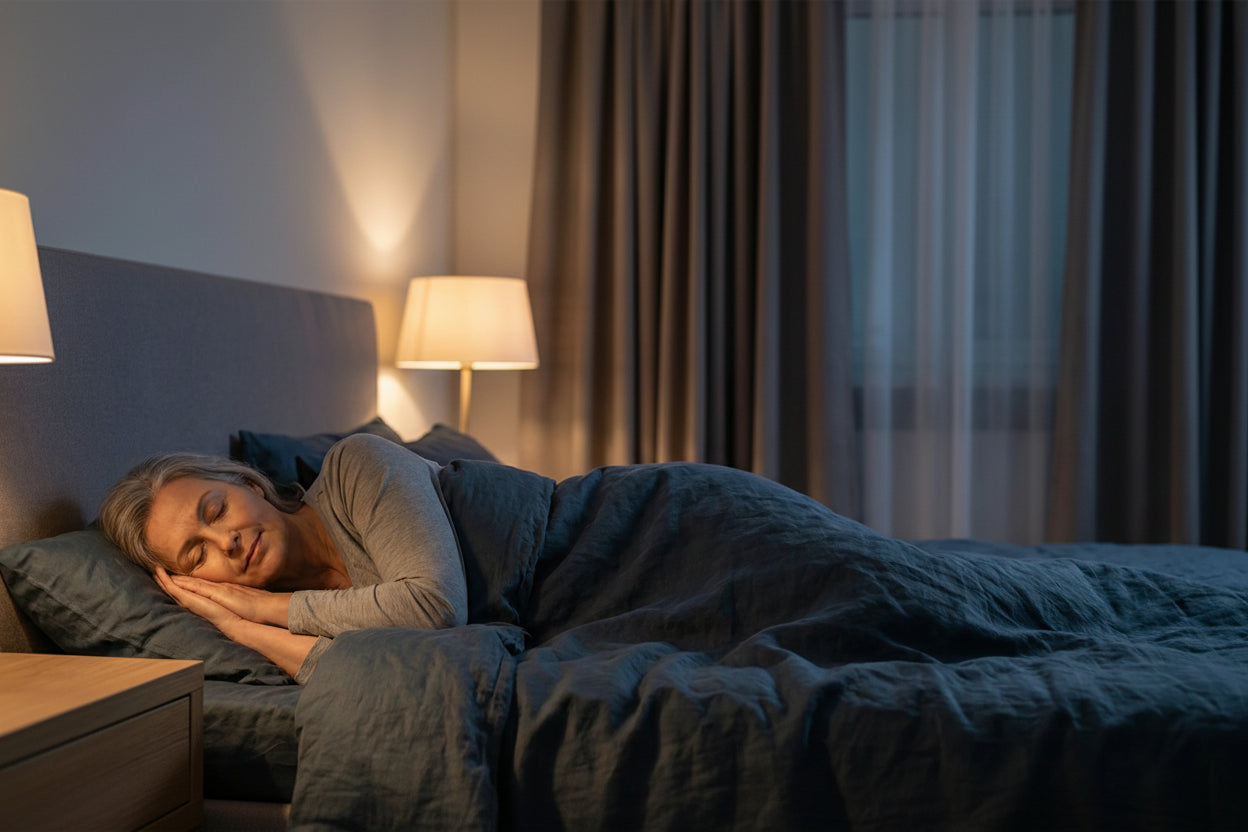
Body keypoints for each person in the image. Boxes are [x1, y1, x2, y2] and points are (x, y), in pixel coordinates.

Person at [98, 433, 468, 682]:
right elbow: (370, 676)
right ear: (194, 586)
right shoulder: (274, 627)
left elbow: (435, 609)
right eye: (198, 554)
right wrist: (239, 628)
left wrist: (266, 607)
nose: (227, 542)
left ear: (251, 485)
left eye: (217, 511)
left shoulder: (357, 464)